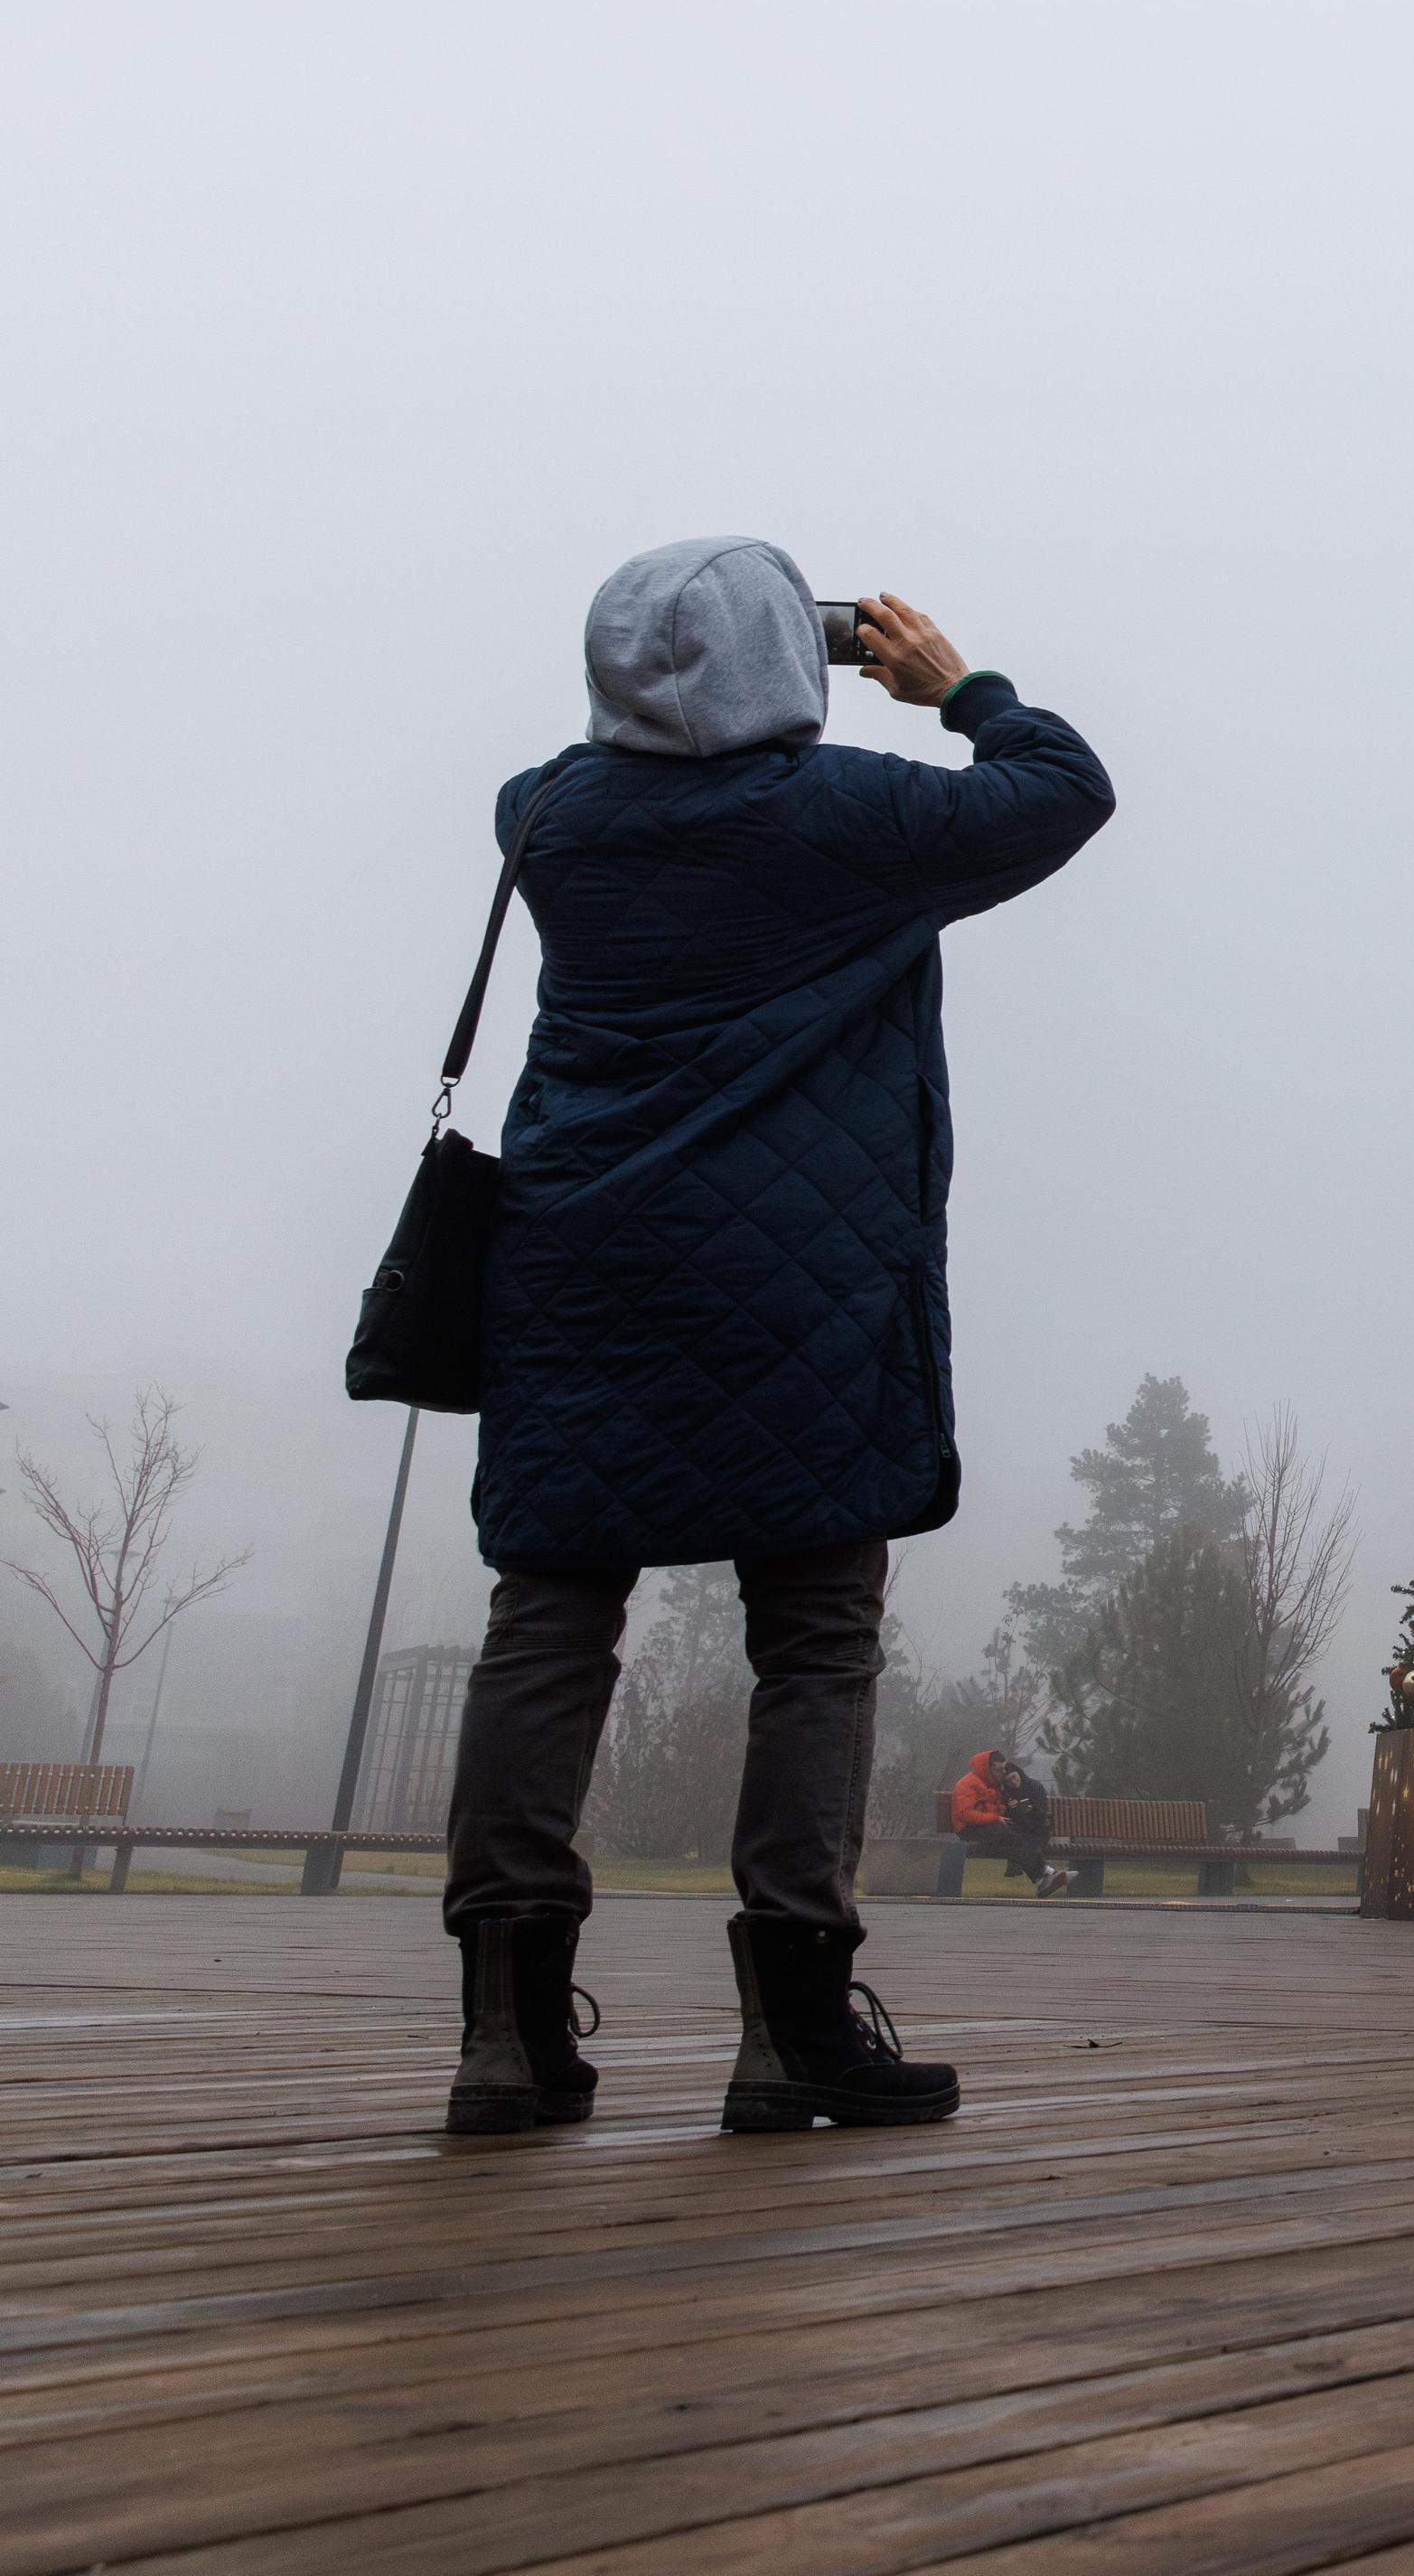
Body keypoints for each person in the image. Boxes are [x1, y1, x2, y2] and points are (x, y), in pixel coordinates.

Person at [440, 543, 1110, 2137]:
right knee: (811, 1641)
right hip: (795, 1291)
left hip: (579, 1273)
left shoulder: (545, 817)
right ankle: (794, 2026)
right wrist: (957, 684)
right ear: (779, 666)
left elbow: (615, 757)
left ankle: (506, 2034)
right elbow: (1060, 786)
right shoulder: (850, 820)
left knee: (548, 1624)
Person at [949, 1747, 1066, 1896]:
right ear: (989, 1768)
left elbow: (994, 1808)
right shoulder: (968, 1784)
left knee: (1016, 1837)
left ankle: (1041, 1880)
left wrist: (1007, 1810)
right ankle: (1046, 1873)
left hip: (988, 1827)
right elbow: (964, 1814)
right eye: (1001, 1769)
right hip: (969, 1829)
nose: (1004, 1773)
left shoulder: (992, 1784)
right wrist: (996, 1818)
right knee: (1012, 1837)